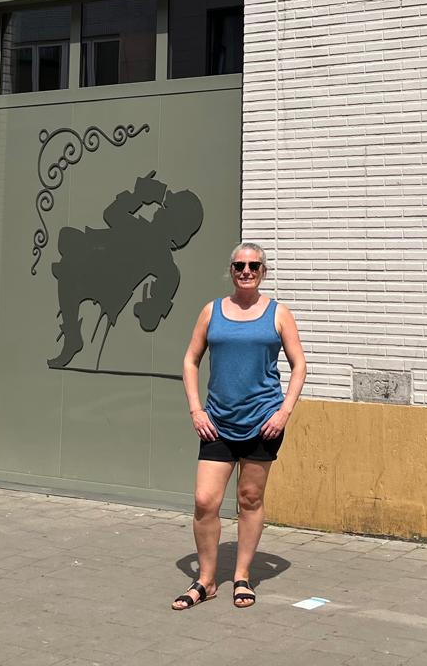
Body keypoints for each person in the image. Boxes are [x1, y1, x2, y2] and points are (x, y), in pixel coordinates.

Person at [171, 241, 305, 611]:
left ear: (264, 272)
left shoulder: (278, 313)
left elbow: (299, 366)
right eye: (239, 266)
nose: (246, 272)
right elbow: (190, 360)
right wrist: (197, 410)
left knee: (250, 499)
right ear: (230, 270)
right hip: (217, 422)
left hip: (264, 422)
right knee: (204, 501)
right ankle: (207, 579)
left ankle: (243, 575)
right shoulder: (211, 311)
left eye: (254, 266)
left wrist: (284, 413)